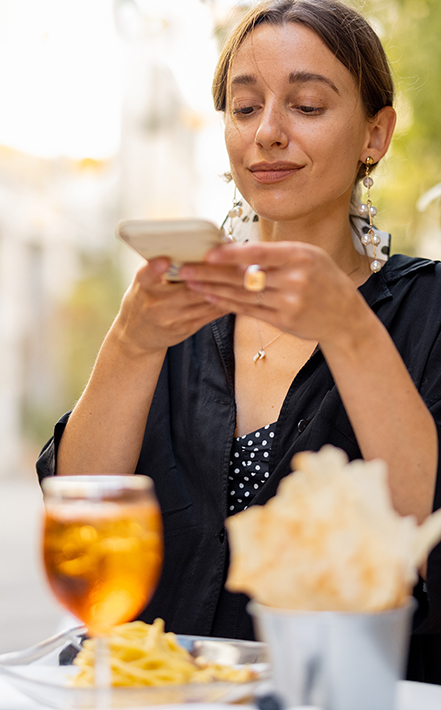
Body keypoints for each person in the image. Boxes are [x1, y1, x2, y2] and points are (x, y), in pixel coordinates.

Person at [37, 0, 441, 684]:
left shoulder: (427, 309)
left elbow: (421, 539)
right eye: (244, 107)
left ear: (375, 134)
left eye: (307, 106)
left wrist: (348, 330)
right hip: (160, 692)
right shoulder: (175, 307)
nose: (269, 133)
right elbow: (82, 524)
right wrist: (130, 345)